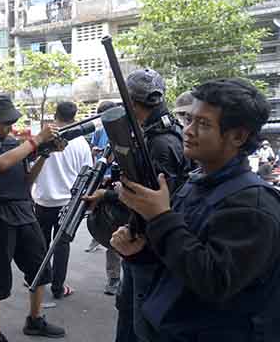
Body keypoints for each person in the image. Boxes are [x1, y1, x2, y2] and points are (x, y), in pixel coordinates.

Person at [113, 78, 280, 341]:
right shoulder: (195, 183)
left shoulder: (254, 207)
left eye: (203, 124)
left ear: (238, 136)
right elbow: (179, 261)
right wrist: (140, 253)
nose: (188, 131)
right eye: (189, 120)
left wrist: (160, 217)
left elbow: (213, 281)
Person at [85, 69, 187, 342]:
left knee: (142, 324)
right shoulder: (154, 133)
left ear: (130, 101)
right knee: (129, 313)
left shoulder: (161, 142)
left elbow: (161, 201)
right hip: (141, 241)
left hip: (149, 247)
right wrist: (107, 195)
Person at [0, 94, 65, 342]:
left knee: (40, 268)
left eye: (11, 120)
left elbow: (27, 181)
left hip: (23, 211)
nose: (9, 126)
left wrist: (45, 153)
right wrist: (36, 140)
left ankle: (35, 319)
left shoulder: (14, 143)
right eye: (4, 121)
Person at [32, 101, 93, 299]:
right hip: (68, 203)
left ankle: (36, 280)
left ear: (55, 114)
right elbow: (88, 173)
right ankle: (58, 288)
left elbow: (31, 166)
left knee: (41, 243)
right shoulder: (81, 143)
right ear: (75, 116)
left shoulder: (44, 138)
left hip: (43, 200)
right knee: (61, 246)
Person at [86, 100, 123, 296]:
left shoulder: (128, 134)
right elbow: (94, 152)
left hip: (124, 189)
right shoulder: (99, 132)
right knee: (112, 231)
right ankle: (114, 277)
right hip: (107, 185)